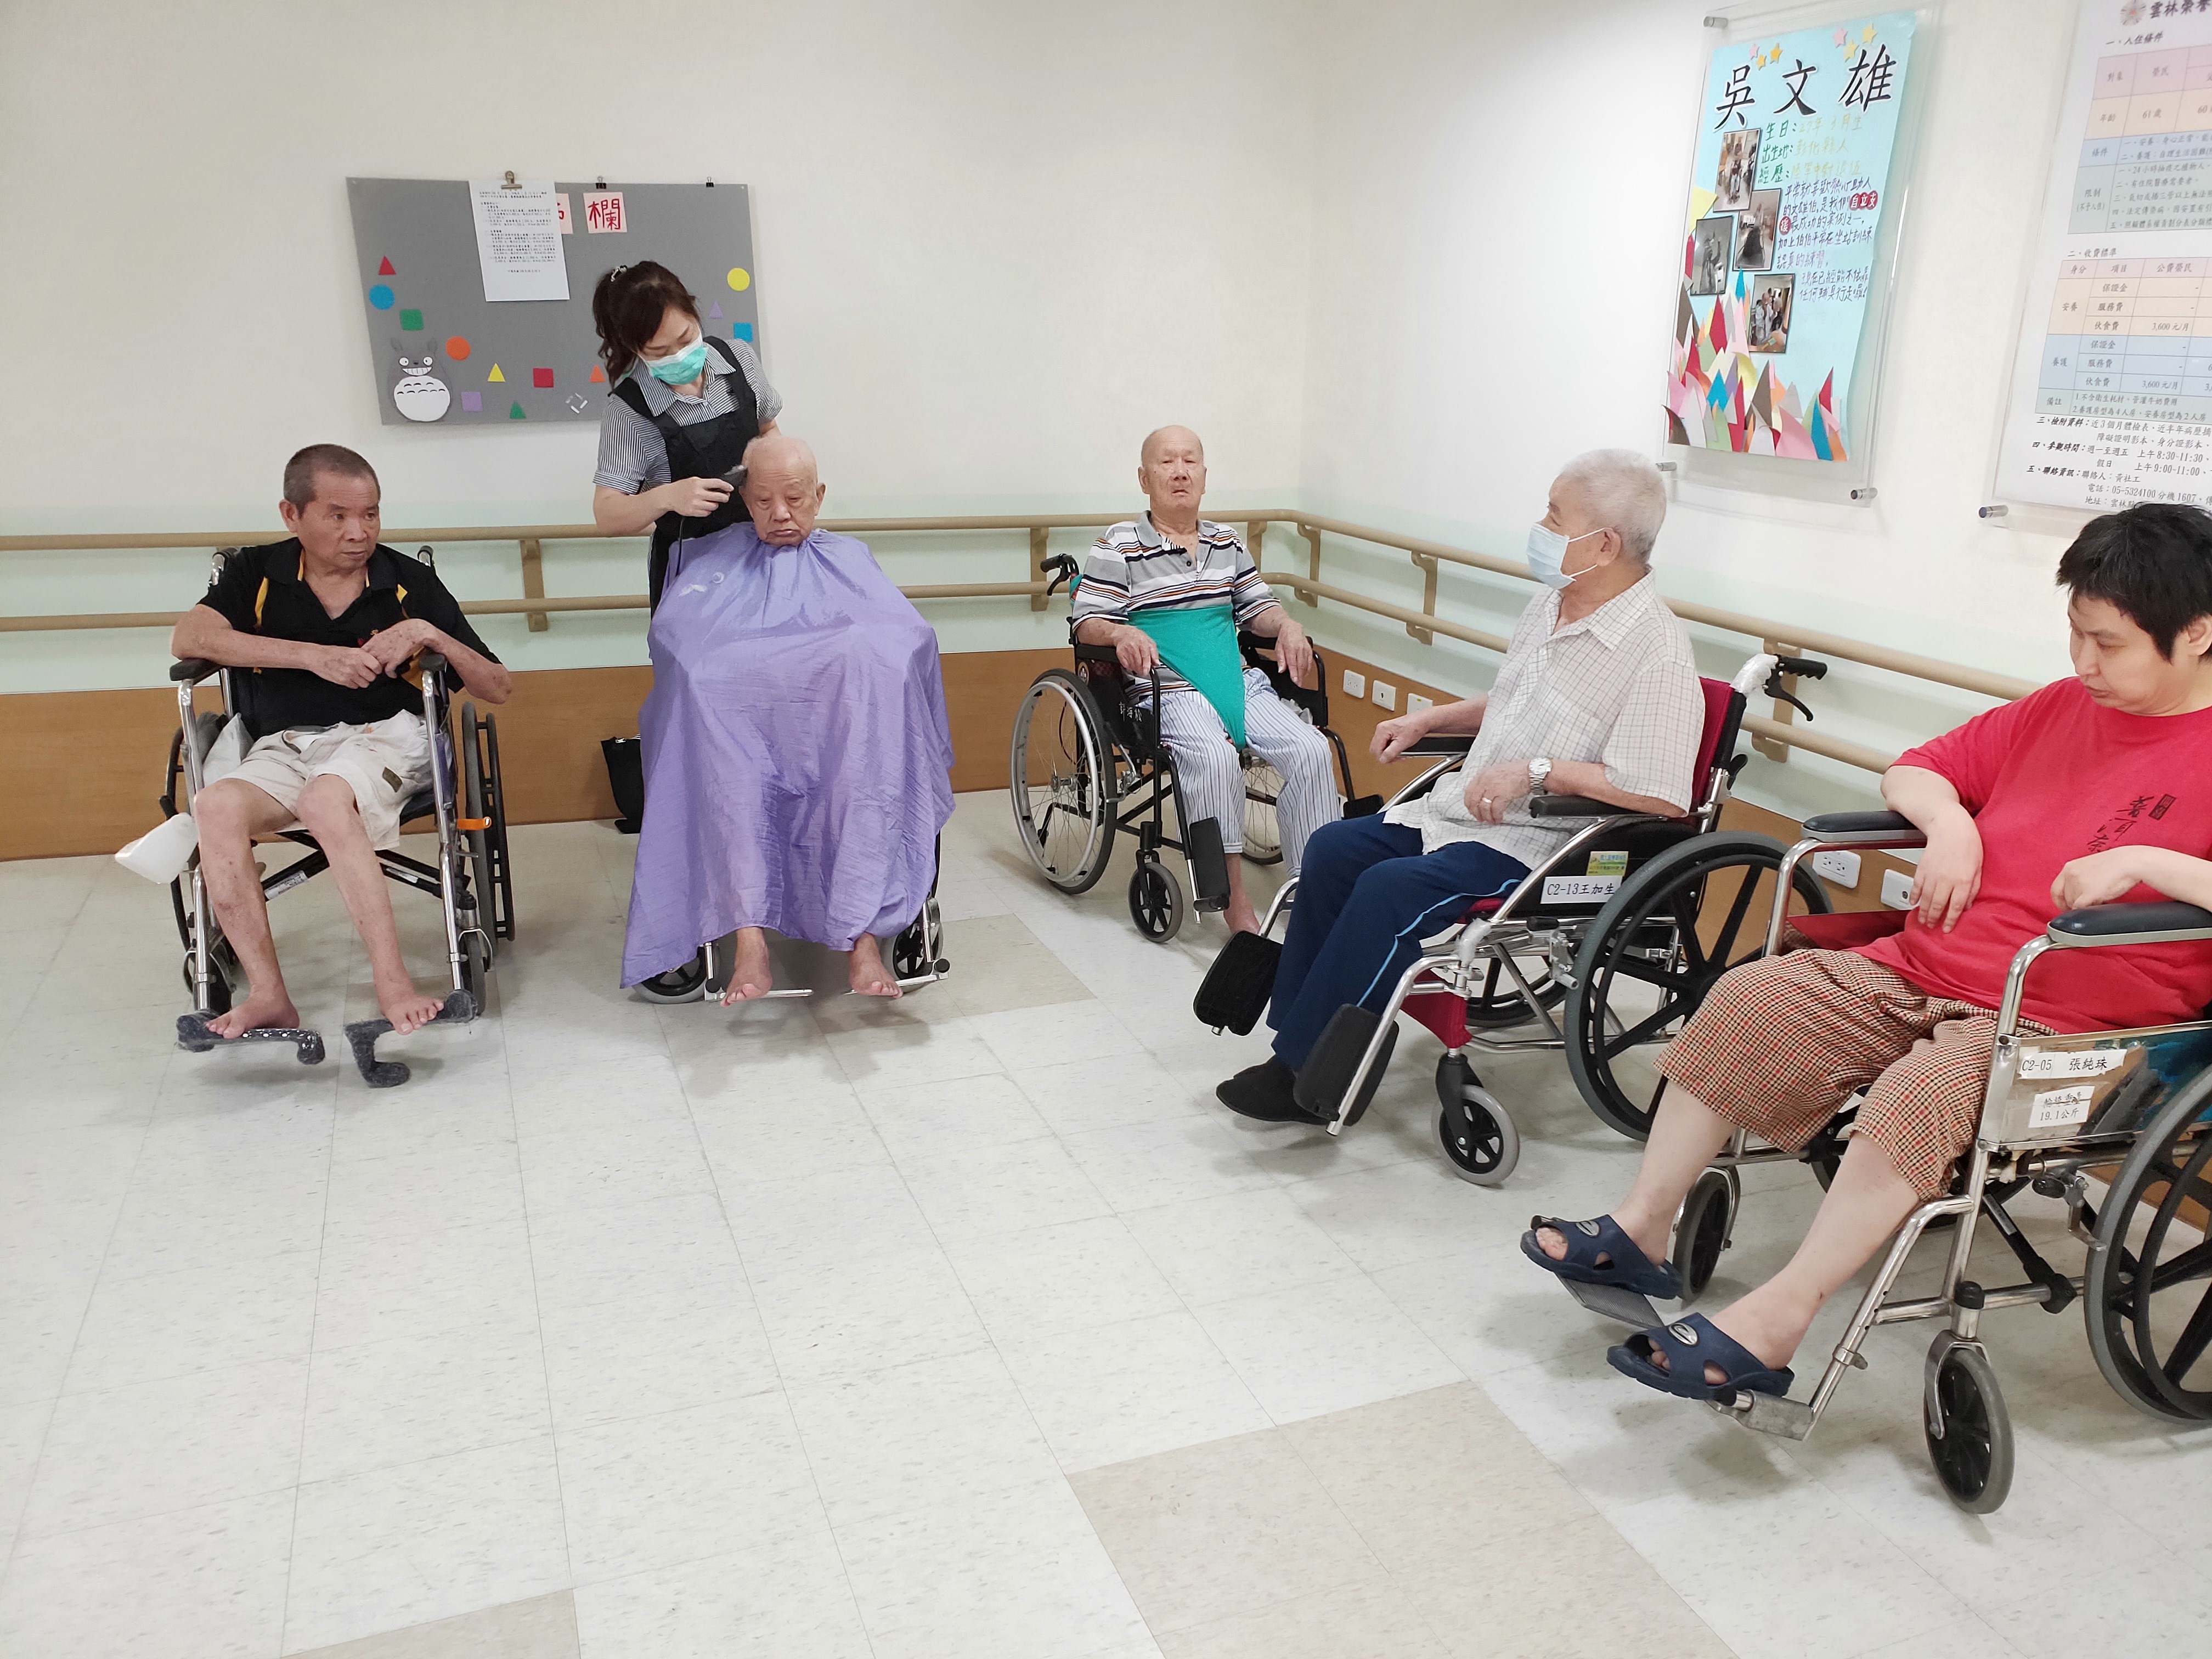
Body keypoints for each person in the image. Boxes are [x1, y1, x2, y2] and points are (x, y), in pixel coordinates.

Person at [1526, 502, 2212, 1402]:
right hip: (1922, 966)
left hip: (2066, 1022)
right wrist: (1949, 823)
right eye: (2075, 633)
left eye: (2107, 643)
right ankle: (1642, 1226)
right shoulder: (2060, 707)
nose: (2082, 661)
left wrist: (2153, 863)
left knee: (1921, 1095)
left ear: (2197, 633)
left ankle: (1779, 1318)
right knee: (1752, 997)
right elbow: (1917, 767)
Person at [1215, 449, 1701, 1123]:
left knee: (1389, 891)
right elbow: (1515, 701)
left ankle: (1314, 1079)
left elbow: (1660, 792)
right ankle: (1298, 1044)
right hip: (1465, 812)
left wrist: (1537, 772)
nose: (1540, 528)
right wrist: (1431, 720)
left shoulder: (1656, 652)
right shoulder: (1553, 605)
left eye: (1554, 517)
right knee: (1333, 849)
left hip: (1545, 843)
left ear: (1605, 544)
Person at [171, 444, 511, 1038]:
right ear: (292, 514)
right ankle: (270, 997)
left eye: (370, 514)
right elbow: (189, 639)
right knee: (214, 806)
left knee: (326, 799)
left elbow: (498, 686)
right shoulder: (257, 573)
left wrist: (427, 632)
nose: (359, 532)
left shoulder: (407, 582)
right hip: (286, 744)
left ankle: (393, 984)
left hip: (386, 738)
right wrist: (313, 657)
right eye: (338, 516)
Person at [620, 434, 954, 1001]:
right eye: (764, 500)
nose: (780, 514)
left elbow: (908, 640)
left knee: (863, 766)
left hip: (842, 731)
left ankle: (862, 942)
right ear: (744, 501)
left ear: (819, 496)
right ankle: (749, 945)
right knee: (724, 756)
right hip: (737, 732)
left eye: (795, 499)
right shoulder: (710, 562)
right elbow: (683, 649)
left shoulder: (850, 558)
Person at [1071, 426, 1338, 933]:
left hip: (1237, 681)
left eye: (1189, 461)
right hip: (1168, 689)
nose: (1180, 472)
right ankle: (1234, 899)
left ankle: (1315, 889)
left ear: (1204, 475)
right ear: (1144, 479)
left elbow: (1257, 607)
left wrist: (1288, 625)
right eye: (1167, 462)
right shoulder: (1118, 544)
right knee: (1215, 760)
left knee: (1311, 750)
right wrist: (1121, 632)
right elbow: (1088, 622)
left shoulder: (1226, 542)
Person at [589, 261, 783, 610]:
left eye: (686, 338)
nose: (679, 356)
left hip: (762, 549)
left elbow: (768, 429)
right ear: (634, 349)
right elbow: (607, 514)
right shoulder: (629, 411)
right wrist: (668, 497)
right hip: (693, 576)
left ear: (694, 313)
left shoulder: (740, 360)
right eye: (659, 352)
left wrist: (783, 487)